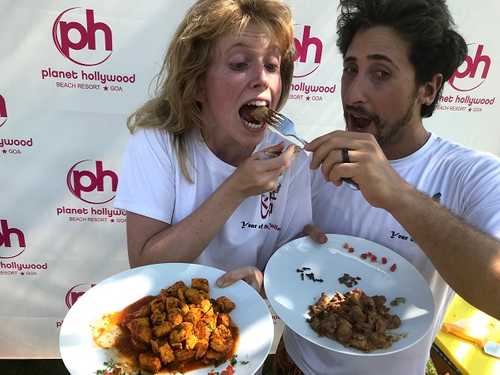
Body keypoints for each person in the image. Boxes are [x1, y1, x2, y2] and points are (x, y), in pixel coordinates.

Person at [275, 0, 500, 374]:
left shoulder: (469, 173)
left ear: (428, 89)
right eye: (351, 69)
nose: (354, 94)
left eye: (380, 74)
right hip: (293, 363)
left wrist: (398, 195)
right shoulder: (315, 160)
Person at [114, 0, 312, 291]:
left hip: (248, 322)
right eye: (240, 64)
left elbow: (286, 261)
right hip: (168, 320)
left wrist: (263, 281)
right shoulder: (157, 143)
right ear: (196, 83)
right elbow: (146, 267)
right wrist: (236, 189)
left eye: (272, 65)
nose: (262, 80)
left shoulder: (289, 157)